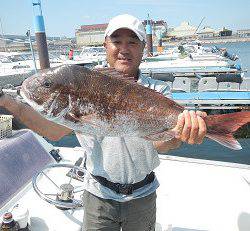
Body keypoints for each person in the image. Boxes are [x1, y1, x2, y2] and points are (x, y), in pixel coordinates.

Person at [0, 14, 207, 231]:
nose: (124, 49)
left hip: (143, 196)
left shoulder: (158, 91)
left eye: (132, 42)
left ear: (143, 48)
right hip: (98, 197)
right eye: (116, 42)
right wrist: (7, 101)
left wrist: (182, 134)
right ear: (105, 45)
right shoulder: (85, 85)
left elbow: (162, 145)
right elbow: (53, 132)